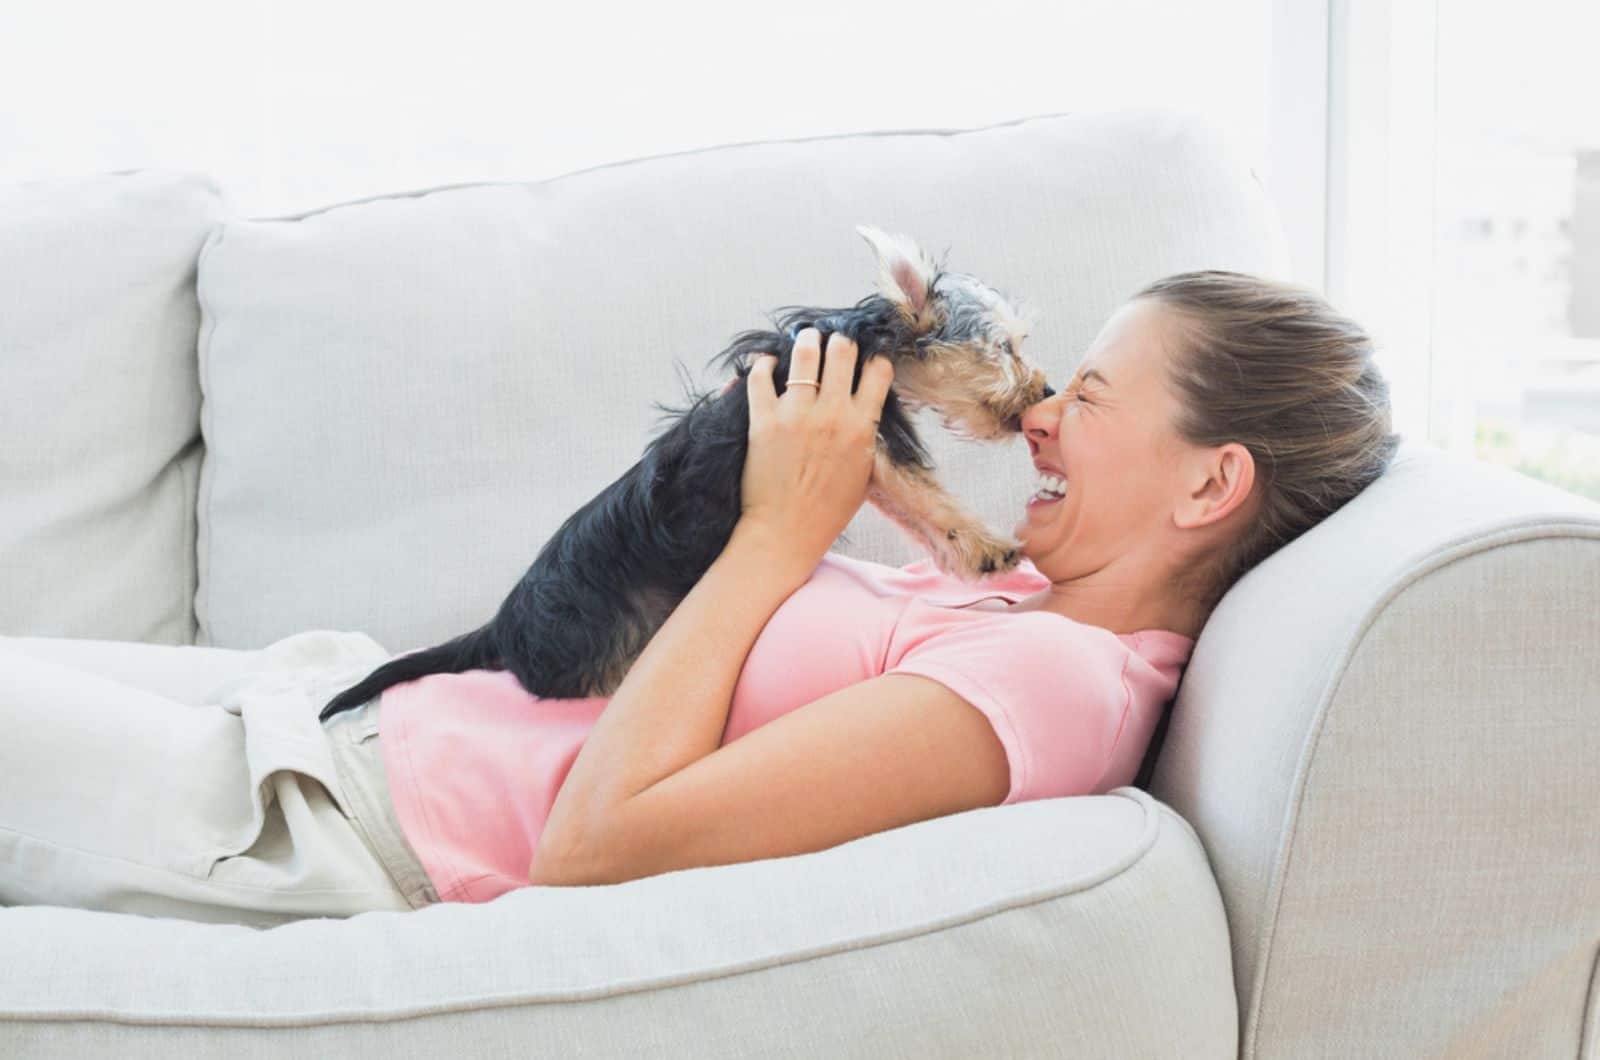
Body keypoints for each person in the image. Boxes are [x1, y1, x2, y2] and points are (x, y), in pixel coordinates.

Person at [0, 270, 1400, 925]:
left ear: (1211, 487)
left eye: (1085, 398)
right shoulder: (1024, 610)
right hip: (341, 714)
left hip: (336, 826)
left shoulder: (1058, 689)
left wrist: (782, 538)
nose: (1036, 420)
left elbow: (602, 847)